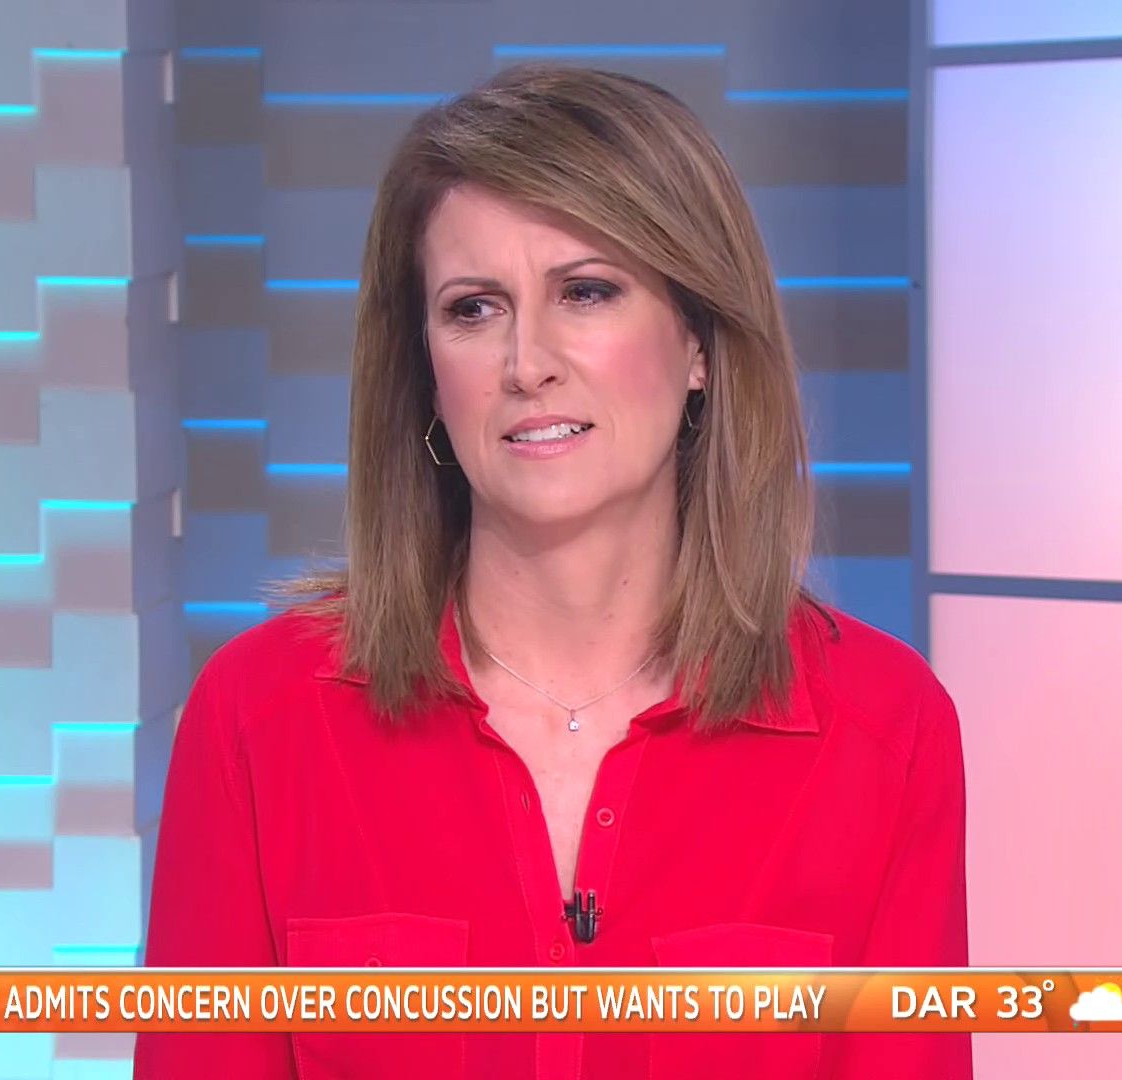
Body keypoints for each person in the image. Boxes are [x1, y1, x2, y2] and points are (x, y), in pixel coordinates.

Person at [134, 63, 970, 1079]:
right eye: (474, 309)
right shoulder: (259, 720)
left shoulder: (883, 732)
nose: (527, 362)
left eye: (586, 292)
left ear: (699, 342)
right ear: (426, 372)